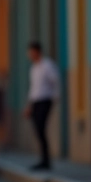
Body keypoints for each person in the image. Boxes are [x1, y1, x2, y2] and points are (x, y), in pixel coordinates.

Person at [24, 41, 60, 171]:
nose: (30, 55)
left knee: (41, 127)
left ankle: (46, 160)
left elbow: (55, 81)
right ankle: (43, 159)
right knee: (38, 130)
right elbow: (33, 88)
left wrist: (55, 97)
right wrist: (29, 106)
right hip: (36, 101)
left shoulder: (47, 65)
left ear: (38, 51)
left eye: (32, 52)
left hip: (45, 100)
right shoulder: (33, 68)